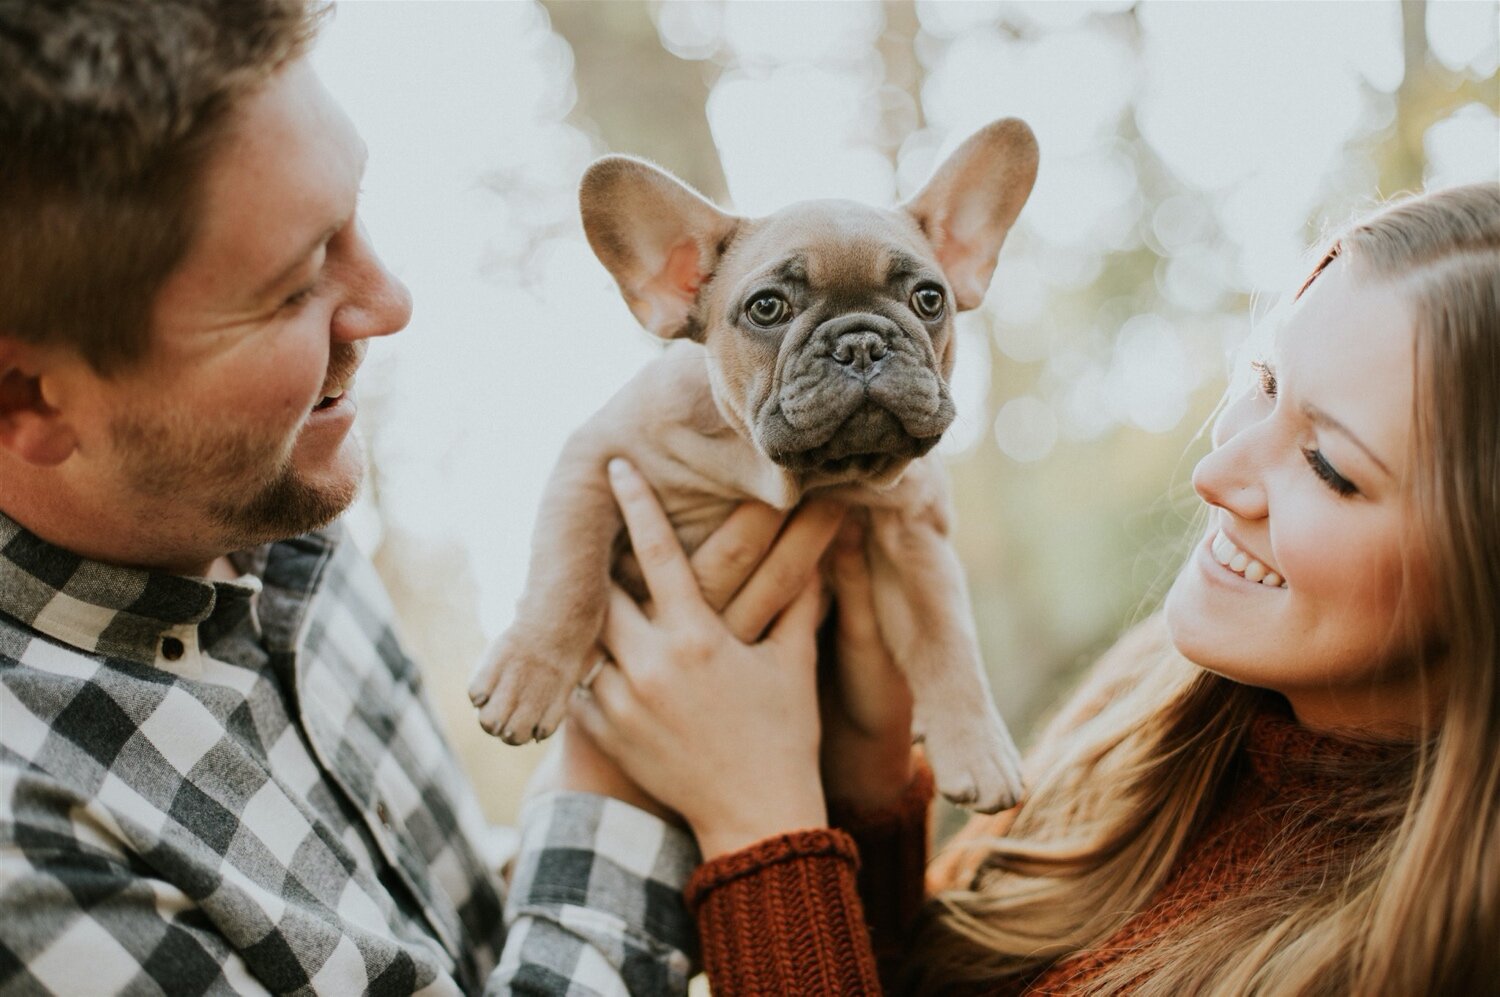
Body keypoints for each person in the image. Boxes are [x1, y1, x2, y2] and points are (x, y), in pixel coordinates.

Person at [0, 3, 842, 992]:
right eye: (291, 288)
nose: (391, 301)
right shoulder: (29, 864)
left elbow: (434, 939)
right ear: (29, 398)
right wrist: (633, 777)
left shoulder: (254, 512)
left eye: (352, 215)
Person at [560, 182, 1500, 995]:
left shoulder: (1417, 956)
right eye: (1261, 379)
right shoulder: (1150, 715)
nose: (1216, 472)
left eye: (1329, 465)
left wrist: (758, 830)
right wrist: (868, 775)